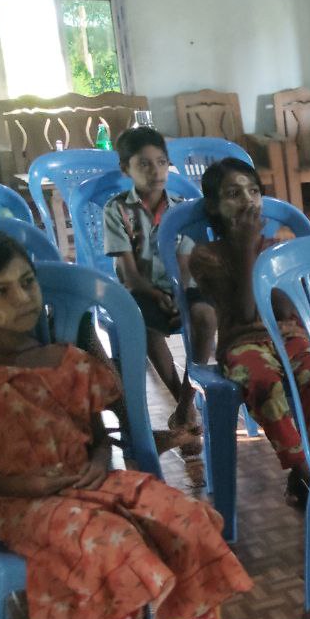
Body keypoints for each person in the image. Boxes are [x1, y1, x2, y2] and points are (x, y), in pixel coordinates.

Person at [0, 229, 251, 619]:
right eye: (0, 291)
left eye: (27, 282)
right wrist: (26, 484)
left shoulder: (70, 360)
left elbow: (99, 434)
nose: (22, 298)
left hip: (93, 481)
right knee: (112, 544)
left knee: (188, 519)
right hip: (21, 503)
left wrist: (100, 460)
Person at [188, 158, 310, 506]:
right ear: (213, 207)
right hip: (241, 343)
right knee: (263, 381)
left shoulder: (277, 249)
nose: (247, 200)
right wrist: (247, 248)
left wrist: (271, 260)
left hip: (286, 334)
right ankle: (305, 470)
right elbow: (246, 313)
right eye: (234, 194)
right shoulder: (205, 256)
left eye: (254, 191)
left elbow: (285, 309)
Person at [103, 127, 211, 432]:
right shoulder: (117, 210)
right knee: (144, 324)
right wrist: (154, 294)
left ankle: (186, 403)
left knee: (205, 316)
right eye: (144, 164)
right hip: (141, 289)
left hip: (181, 286)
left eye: (161, 162)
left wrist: (178, 296)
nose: (156, 171)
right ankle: (182, 400)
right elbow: (129, 274)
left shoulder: (181, 209)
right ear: (125, 169)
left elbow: (184, 265)